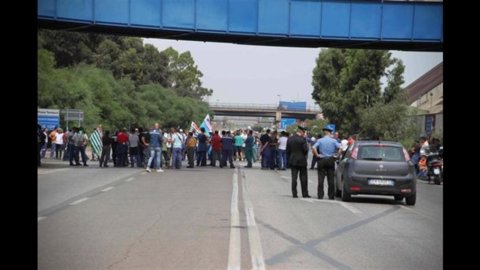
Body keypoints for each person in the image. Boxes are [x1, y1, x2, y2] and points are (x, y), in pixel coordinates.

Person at [312, 125, 341, 200]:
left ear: (324, 132)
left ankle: (320, 195)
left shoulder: (320, 140)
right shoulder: (334, 141)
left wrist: (317, 155)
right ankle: (331, 196)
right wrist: (337, 155)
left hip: (321, 160)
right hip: (330, 160)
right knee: (331, 179)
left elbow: (313, 147)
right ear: (330, 132)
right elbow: (341, 148)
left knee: (320, 179)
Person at [286, 126, 310, 198]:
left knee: (294, 178)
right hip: (302, 160)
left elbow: (288, 150)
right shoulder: (303, 139)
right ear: (302, 132)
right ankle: (304, 194)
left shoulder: (290, 139)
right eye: (304, 133)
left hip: (293, 160)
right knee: (303, 178)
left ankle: (294, 194)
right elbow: (305, 150)